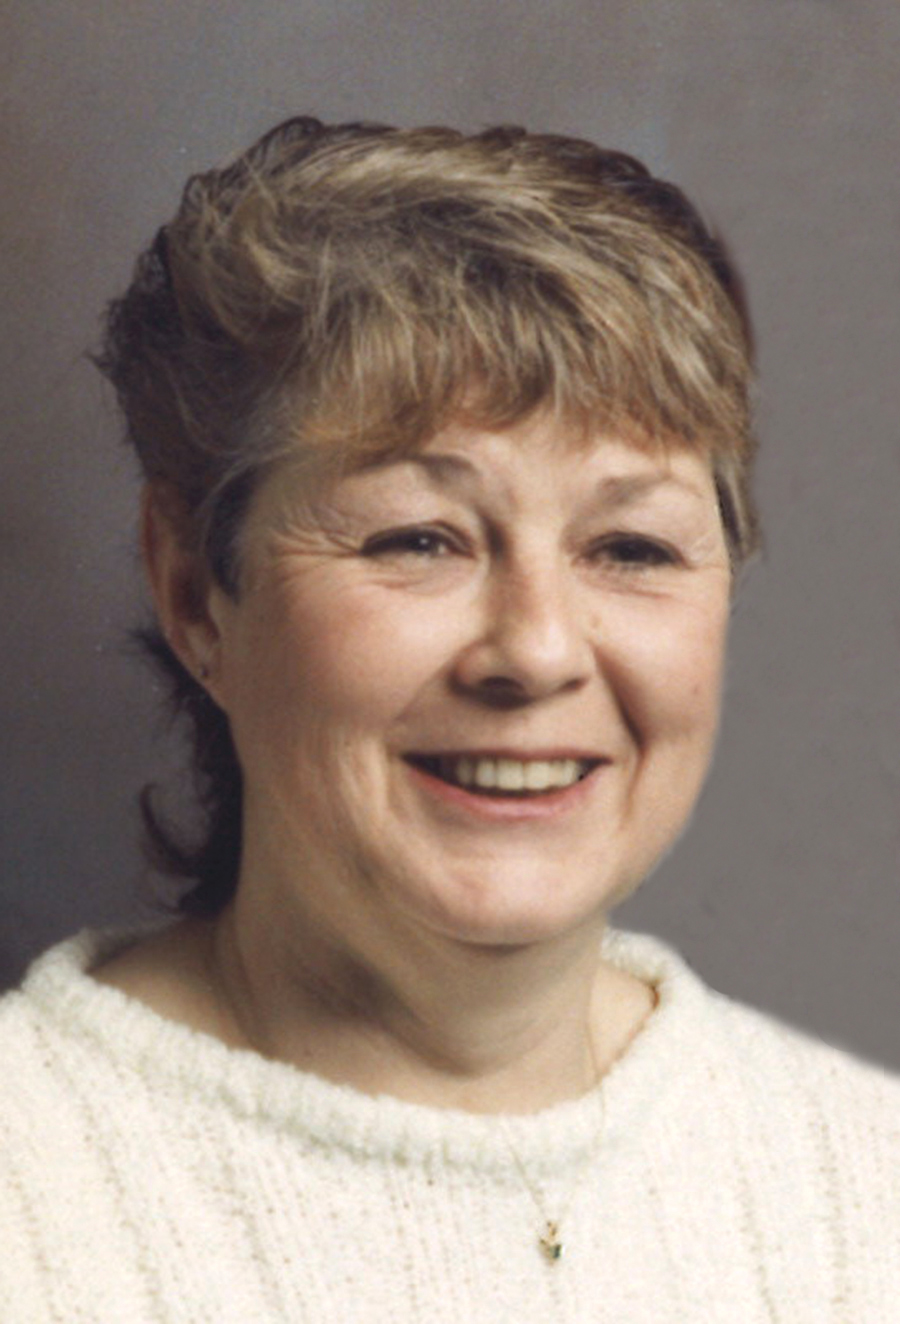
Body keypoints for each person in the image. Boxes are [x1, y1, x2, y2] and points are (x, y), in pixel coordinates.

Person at [1, 116, 897, 1322]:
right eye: (418, 538)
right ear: (196, 592)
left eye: (631, 547)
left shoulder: (863, 1187)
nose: (537, 649)